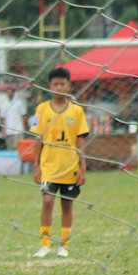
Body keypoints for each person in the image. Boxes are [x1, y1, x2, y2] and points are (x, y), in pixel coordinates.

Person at [30, 67, 89, 258]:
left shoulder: (77, 111)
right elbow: (37, 139)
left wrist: (83, 167)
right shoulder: (42, 109)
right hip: (48, 167)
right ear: (50, 86)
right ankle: (44, 244)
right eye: (55, 84)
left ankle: (64, 245)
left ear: (69, 86)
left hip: (70, 167)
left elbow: (81, 141)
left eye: (63, 84)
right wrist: (36, 165)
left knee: (67, 205)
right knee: (47, 201)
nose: (59, 87)